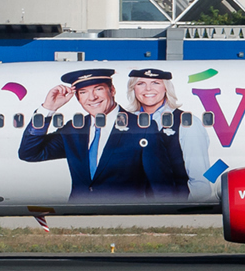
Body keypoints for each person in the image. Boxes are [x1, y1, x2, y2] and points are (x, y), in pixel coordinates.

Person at [18, 68, 158, 201]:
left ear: (112, 90)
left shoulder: (141, 127)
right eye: (83, 92)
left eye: (98, 89)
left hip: (125, 217)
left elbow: (158, 179)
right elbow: (30, 153)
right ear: (78, 98)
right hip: (80, 216)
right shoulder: (74, 129)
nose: (92, 98)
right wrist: (48, 108)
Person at [120, 68, 192, 199]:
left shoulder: (185, 121)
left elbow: (198, 175)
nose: (148, 89)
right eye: (140, 83)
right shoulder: (126, 121)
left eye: (155, 83)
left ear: (166, 88)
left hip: (174, 202)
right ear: (133, 89)